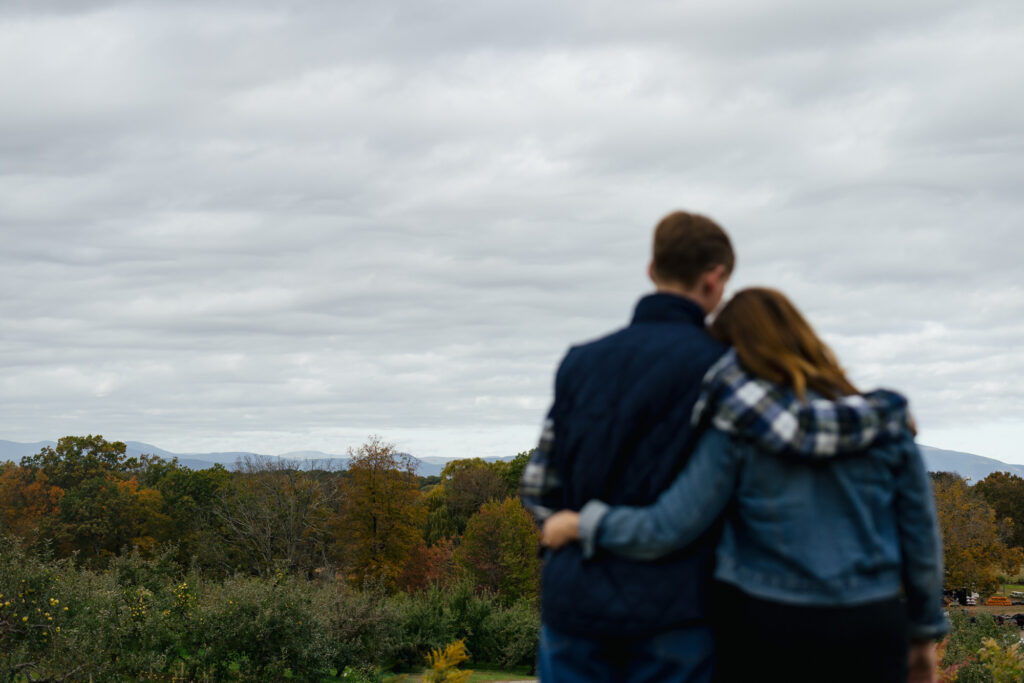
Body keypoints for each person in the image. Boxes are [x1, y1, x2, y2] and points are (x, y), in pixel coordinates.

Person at [519, 212, 911, 683]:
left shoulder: (578, 362)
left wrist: (574, 530)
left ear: (651, 270)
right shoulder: (725, 367)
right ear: (716, 277)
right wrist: (886, 411)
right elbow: (795, 431)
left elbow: (540, 484)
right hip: (676, 609)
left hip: (573, 605)